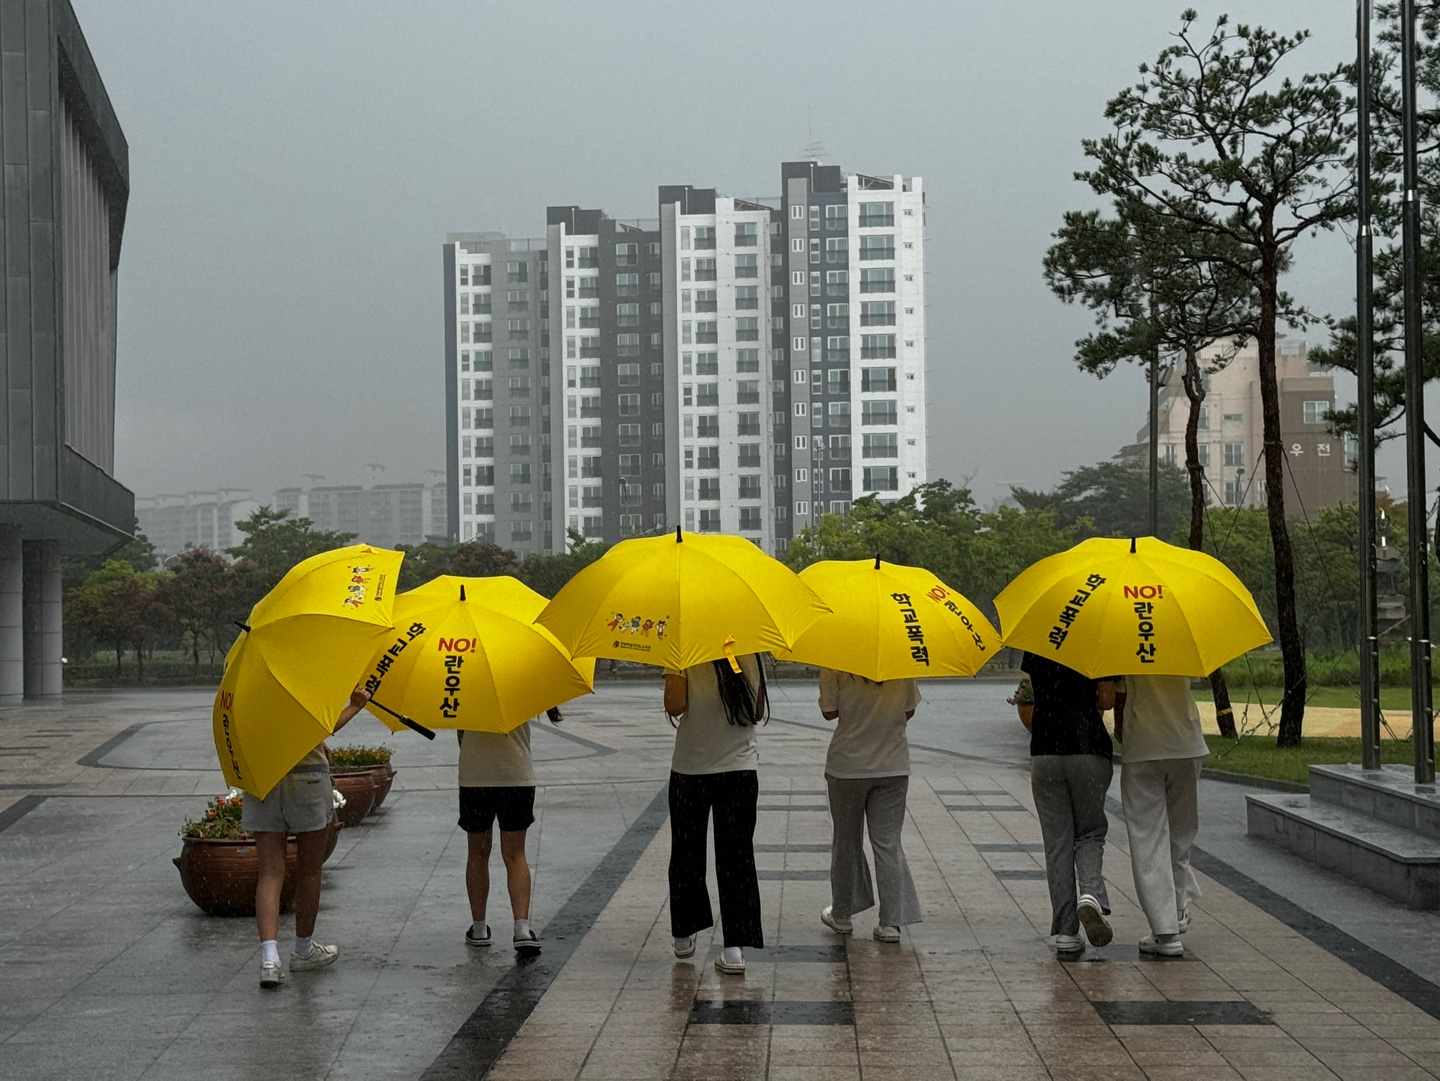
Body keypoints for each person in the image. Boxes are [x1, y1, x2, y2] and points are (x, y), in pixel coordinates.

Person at [244, 686, 370, 990]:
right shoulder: (301, 675)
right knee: (310, 870)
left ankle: (269, 959)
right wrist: (355, 706)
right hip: (307, 777)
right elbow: (321, 723)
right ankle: (303, 950)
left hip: (264, 777)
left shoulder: (252, 687)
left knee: (270, 871)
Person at [664, 654, 767, 975]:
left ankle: (684, 932)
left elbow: (674, 704)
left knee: (686, 850)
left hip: (690, 767)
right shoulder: (751, 649)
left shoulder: (681, 648)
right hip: (739, 768)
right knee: (737, 858)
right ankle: (734, 949)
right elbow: (757, 711)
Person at [817, 669, 923, 944]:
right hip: (893, 765)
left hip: (847, 768)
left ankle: (842, 914)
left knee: (846, 841)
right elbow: (908, 710)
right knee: (888, 843)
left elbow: (829, 711)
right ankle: (890, 924)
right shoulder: (900, 664)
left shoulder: (835, 662)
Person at [1022, 652, 1117, 955]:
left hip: (1044, 751)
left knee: (1057, 842)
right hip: (1087, 746)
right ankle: (1089, 894)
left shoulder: (1037, 640)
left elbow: (1036, 689)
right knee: (1089, 832)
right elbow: (1106, 700)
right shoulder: (1098, 636)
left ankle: (1065, 932)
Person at [459, 705, 562, 959]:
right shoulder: (520, 679)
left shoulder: (466, 684)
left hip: (475, 775)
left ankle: (480, 929)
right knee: (516, 855)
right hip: (516, 773)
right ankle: (522, 930)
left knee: (478, 853)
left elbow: (461, 737)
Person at [1114, 675, 1205, 957]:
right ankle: (1177, 909)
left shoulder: (1126, 638)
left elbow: (1120, 696)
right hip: (1186, 744)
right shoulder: (1183, 635)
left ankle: (1166, 933)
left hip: (1143, 746)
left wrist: (1121, 727)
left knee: (1149, 839)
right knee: (1181, 834)